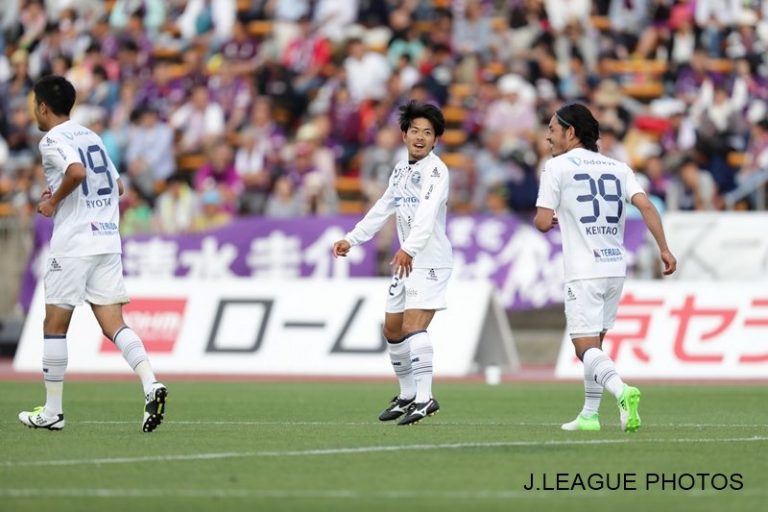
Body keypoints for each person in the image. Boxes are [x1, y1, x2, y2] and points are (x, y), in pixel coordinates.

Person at [18, 75, 167, 433]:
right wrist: (62, 192)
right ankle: (151, 383)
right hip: (106, 239)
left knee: (54, 325)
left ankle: (53, 411)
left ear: (43, 107)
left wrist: (53, 201)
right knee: (113, 323)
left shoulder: (51, 139)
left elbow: (77, 172)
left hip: (74, 244)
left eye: (34, 105)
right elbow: (118, 186)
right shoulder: (90, 136)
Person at [534, 103, 676, 433]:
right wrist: (664, 249)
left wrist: (551, 218)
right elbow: (646, 206)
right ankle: (589, 415)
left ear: (570, 132)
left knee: (583, 347)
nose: (548, 136)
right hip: (614, 267)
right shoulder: (619, 167)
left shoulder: (555, 167)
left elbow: (542, 222)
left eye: (552, 130)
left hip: (584, 270)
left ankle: (621, 391)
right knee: (596, 345)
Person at [332, 100, 452, 426]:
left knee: (414, 326)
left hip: (428, 259)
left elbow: (426, 215)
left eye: (428, 133)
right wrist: (352, 238)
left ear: (435, 140)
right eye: (415, 130)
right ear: (404, 134)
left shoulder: (437, 171)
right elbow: (383, 207)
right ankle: (408, 394)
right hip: (407, 260)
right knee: (393, 329)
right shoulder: (401, 169)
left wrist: (408, 248)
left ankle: (426, 398)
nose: (420, 137)